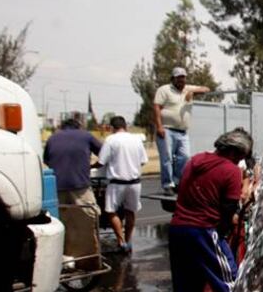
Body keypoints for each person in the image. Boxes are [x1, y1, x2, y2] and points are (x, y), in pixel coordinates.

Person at [163, 128, 253, 292]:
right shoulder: (230, 170)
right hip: (204, 230)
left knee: (184, 283)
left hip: (178, 228)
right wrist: (222, 234)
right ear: (234, 152)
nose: (242, 161)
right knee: (228, 279)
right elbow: (229, 207)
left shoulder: (195, 160)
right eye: (242, 156)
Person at [43, 117, 102, 271]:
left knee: (61, 223)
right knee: (88, 219)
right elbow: (105, 153)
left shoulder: (52, 138)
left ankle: (61, 258)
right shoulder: (86, 135)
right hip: (80, 186)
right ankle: (88, 259)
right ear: (79, 126)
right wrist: (93, 165)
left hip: (56, 187)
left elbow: (47, 160)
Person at [154, 67, 211, 194]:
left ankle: (178, 182)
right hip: (167, 129)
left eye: (183, 77)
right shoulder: (164, 90)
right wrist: (159, 126)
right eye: (179, 77)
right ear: (173, 78)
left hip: (182, 131)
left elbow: (207, 89)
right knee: (167, 157)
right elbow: (157, 107)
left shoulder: (187, 89)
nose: (181, 80)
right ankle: (167, 184)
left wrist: (194, 92)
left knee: (184, 157)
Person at [97, 116, 148, 253]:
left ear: (112, 128)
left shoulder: (111, 140)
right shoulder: (136, 139)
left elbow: (101, 161)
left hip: (117, 183)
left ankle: (121, 242)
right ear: (125, 126)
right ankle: (128, 239)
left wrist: (92, 166)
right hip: (135, 183)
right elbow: (143, 160)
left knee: (111, 211)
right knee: (130, 211)